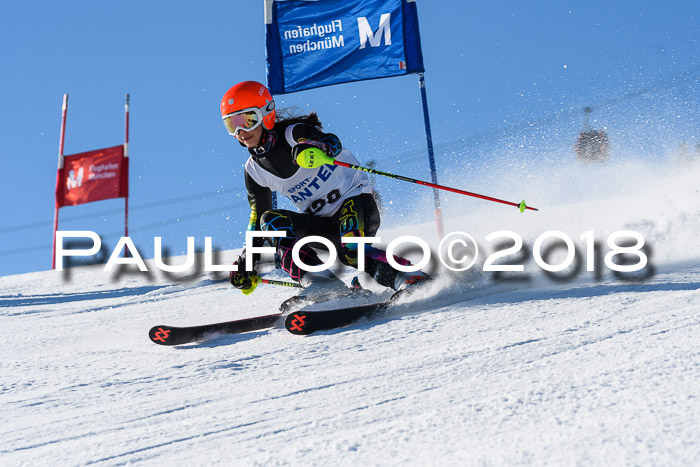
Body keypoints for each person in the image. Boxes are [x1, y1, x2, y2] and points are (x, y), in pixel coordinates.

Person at [221, 80, 429, 300]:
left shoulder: (294, 135)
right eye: (231, 125)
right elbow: (257, 219)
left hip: (354, 200)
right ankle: (322, 285)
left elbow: (332, 141)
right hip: (322, 223)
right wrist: (247, 260)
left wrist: (315, 148)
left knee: (351, 248)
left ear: (266, 113)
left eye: (247, 120)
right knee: (270, 221)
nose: (240, 131)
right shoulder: (254, 171)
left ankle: (408, 276)